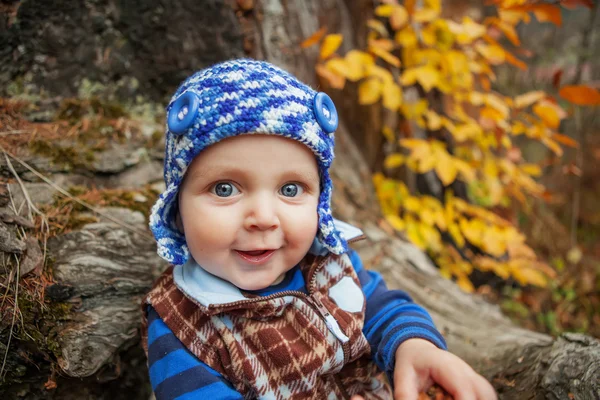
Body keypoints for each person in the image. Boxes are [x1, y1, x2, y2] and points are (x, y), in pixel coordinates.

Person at [142, 59, 497, 400]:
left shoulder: (326, 262)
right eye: (224, 189)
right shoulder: (181, 331)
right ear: (176, 208)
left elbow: (382, 309)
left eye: (291, 189)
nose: (264, 218)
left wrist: (413, 346)